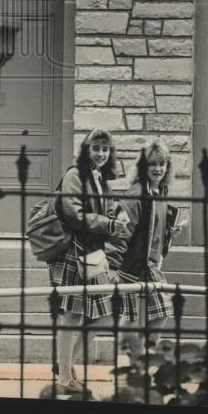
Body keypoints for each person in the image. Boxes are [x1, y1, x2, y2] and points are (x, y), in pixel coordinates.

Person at [48, 128, 129, 394]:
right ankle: (64, 376)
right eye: (96, 148)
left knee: (105, 315)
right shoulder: (75, 175)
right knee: (71, 315)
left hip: (92, 254)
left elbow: (103, 213)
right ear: (86, 150)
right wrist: (109, 223)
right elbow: (73, 213)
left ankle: (65, 366)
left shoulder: (102, 180)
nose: (101, 154)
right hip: (72, 252)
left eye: (106, 149)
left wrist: (117, 217)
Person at [106, 139, 185, 359]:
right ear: (144, 167)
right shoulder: (137, 195)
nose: (158, 169)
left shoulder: (159, 193)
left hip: (150, 265)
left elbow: (153, 231)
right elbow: (121, 230)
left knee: (158, 313)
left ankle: (139, 356)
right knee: (137, 316)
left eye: (162, 164)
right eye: (153, 164)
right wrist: (112, 266)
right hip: (133, 266)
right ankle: (132, 359)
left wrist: (170, 232)